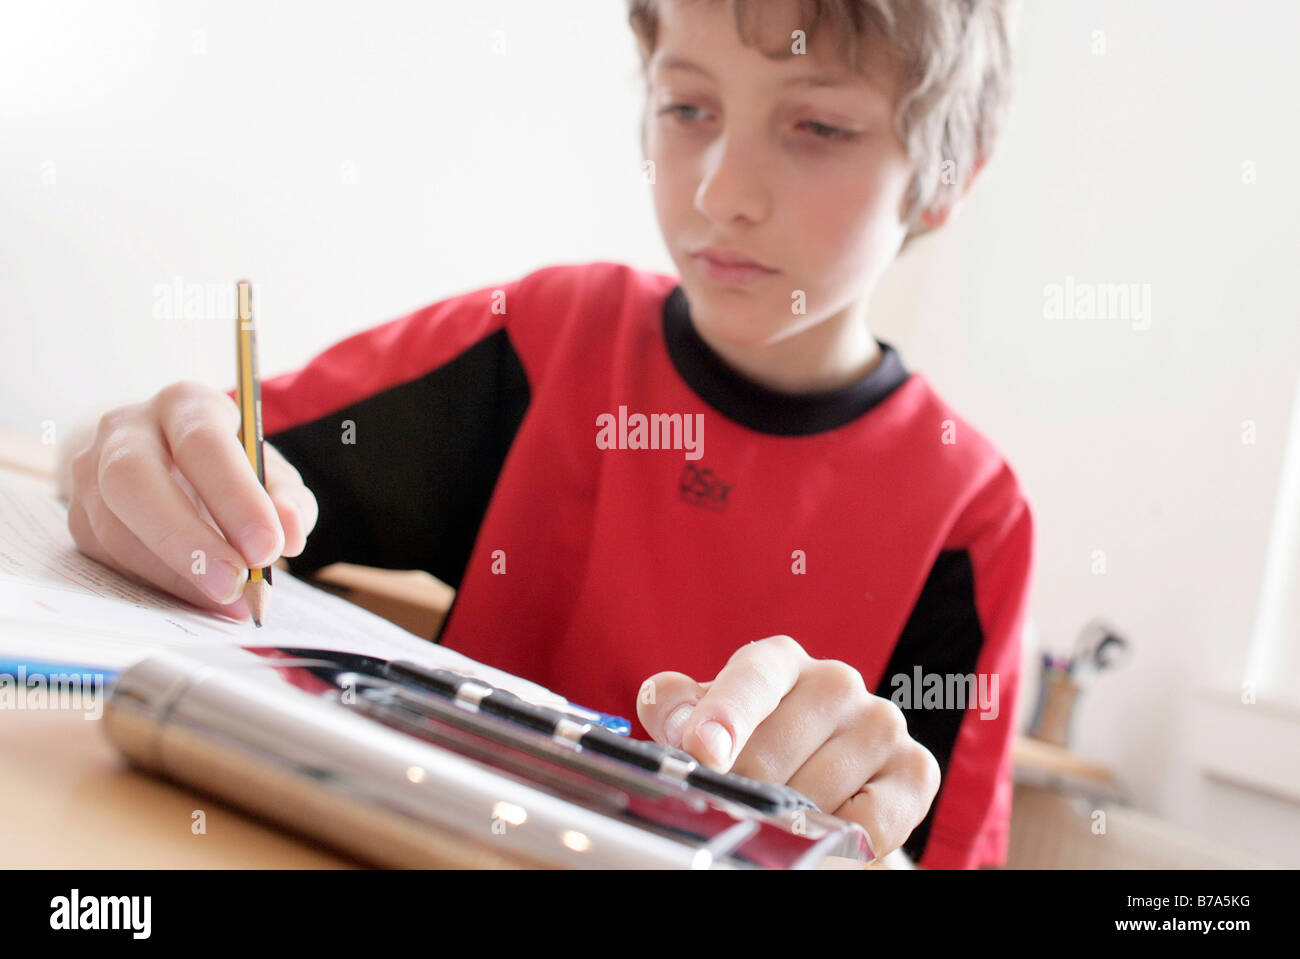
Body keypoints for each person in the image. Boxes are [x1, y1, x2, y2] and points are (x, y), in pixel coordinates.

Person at [58, 0, 1031, 868]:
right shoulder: (546, 338)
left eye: (817, 125)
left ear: (945, 179)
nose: (718, 192)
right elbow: (226, 463)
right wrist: (134, 466)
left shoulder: (968, 512)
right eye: (687, 108)